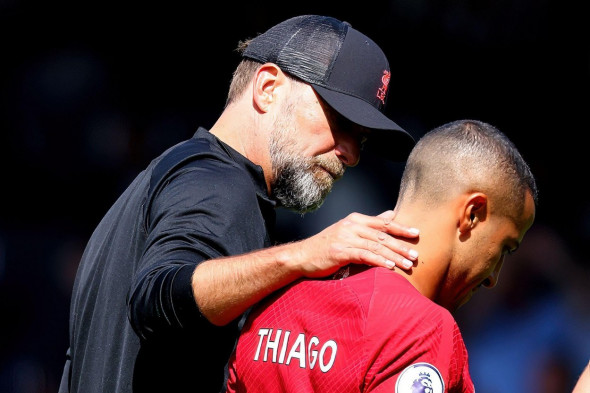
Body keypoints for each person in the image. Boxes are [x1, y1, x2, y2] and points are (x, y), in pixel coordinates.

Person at [58, 15, 421, 393]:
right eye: (340, 120)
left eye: (360, 140)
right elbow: (157, 295)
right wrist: (303, 255)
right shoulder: (222, 185)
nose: (350, 154)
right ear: (267, 88)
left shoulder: (166, 175)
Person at [226, 119, 538, 393]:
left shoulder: (276, 301)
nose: (494, 278)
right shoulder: (424, 330)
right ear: (472, 213)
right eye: (504, 249)